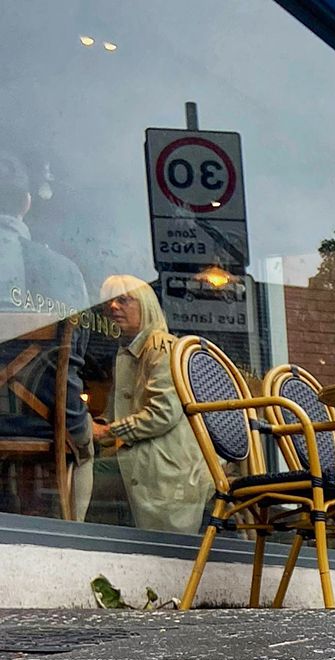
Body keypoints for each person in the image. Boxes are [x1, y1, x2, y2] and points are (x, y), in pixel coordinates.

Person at [0, 148, 93, 517]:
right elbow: (77, 356)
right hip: (46, 419)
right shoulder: (65, 270)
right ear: (25, 204)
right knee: (84, 452)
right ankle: (75, 536)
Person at [92, 276, 213, 533]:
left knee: (86, 480)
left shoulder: (160, 346)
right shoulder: (129, 351)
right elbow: (115, 413)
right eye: (108, 301)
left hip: (165, 468)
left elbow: (163, 413)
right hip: (143, 459)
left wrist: (106, 432)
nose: (113, 307)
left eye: (123, 300)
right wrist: (97, 425)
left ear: (145, 305)